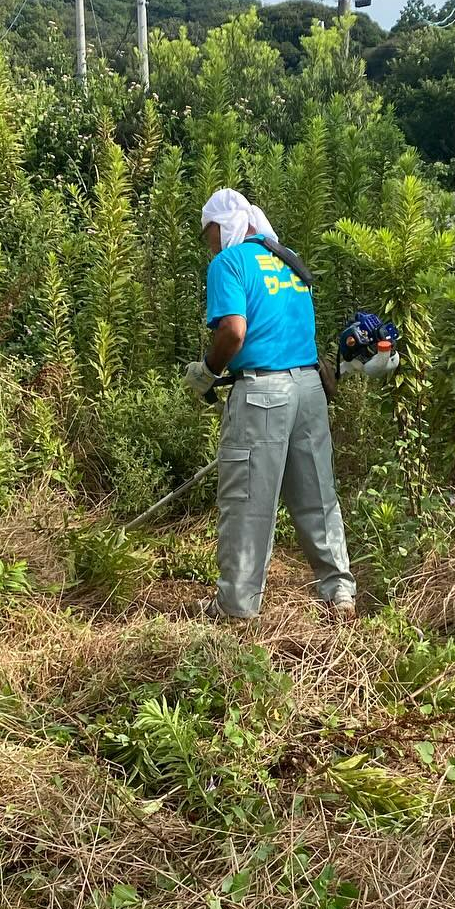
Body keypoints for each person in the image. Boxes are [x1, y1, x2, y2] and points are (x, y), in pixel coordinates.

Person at [185, 188, 356, 622]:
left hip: (263, 395)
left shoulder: (229, 263)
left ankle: (236, 610)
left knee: (247, 501)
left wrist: (206, 371)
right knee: (318, 495)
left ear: (224, 227)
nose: (210, 244)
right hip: (309, 390)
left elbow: (234, 333)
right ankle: (339, 593)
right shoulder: (288, 257)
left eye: (210, 234)